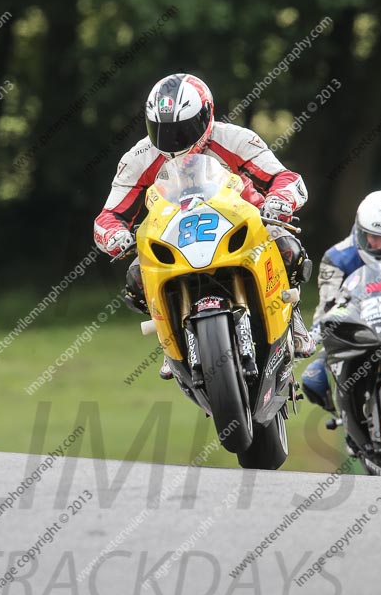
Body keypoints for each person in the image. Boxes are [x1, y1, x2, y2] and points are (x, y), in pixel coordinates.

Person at [93, 73, 314, 379]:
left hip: (242, 222)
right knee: (136, 278)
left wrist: (279, 201)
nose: (173, 140)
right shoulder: (138, 158)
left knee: (287, 247)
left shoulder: (235, 138)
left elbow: (285, 178)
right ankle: (170, 338)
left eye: (182, 129)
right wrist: (116, 236)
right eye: (162, 130)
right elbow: (108, 216)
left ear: (206, 115)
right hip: (174, 233)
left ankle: (292, 317)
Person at [302, 190, 381, 413]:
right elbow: (326, 308)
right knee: (313, 377)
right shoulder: (337, 257)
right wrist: (310, 340)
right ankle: (348, 415)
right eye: (373, 237)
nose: (380, 245)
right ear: (360, 231)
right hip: (358, 331)